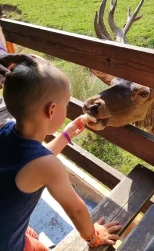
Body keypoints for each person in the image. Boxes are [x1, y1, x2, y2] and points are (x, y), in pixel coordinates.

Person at [0, 56, 122, 251]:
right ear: (52, 110)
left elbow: (33, 163)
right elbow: (76, 209)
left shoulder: (6, 129)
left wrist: (68, 134)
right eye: (66, 104)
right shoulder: (48, 167)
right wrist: (94, 237)